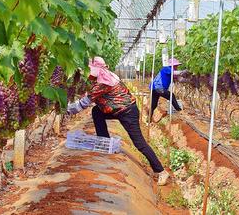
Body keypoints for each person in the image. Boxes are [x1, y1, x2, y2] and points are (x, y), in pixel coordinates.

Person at [66, 57, 170, 186]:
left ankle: (161, 171)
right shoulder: (107, 76)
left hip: (127, 113)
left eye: (90, 72)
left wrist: (65, 109)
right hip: (118, 110)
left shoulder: (102, 84)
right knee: (97, 112)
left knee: (139, 143)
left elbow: (84, 103)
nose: (89, 75)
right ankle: (104, 143)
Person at [149, 58, 184, 122]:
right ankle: (179, 111)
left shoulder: (171, 71)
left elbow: (180, 79)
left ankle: (149, 118)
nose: (177, 67)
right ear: (171, 65)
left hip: (154, 88)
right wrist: (183, 72)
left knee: (154, 104)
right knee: (171, 95)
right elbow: (176, 73)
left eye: (177, 66)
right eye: (175, 65)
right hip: (158, 88)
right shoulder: (166, 68)